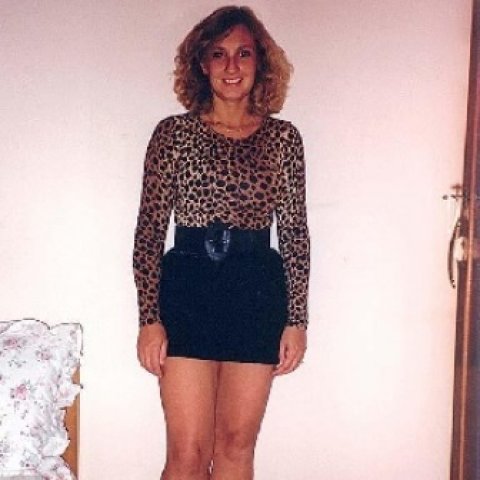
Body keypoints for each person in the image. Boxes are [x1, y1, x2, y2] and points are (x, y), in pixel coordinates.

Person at [133, 6, 310, 480]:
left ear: (260, 62)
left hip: (255, 294)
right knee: (187, 453)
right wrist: (149, 319)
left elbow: (295, 233)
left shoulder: (284, 139)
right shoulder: (172, 135)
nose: (232, 66)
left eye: (243, 53)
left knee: (236, 447)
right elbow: (149, 231)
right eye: (219, 54)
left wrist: (297, 320)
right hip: (187, 292)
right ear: (202, 63)